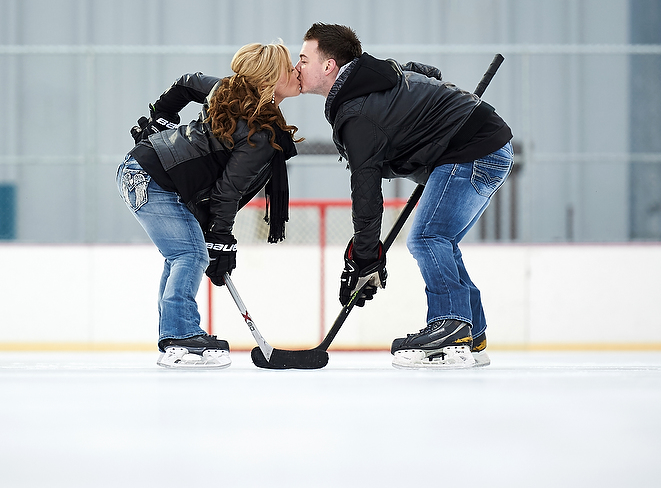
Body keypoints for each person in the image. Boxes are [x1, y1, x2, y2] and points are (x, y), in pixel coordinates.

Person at [295, 23, 513, 369]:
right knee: (441, 240)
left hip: (472, 150)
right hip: (484, 146)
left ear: (329, 65)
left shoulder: (357, 113)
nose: (297, 67)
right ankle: (472, 334)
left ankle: (451, 329)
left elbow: (365, 190)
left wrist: (366, 258)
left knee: (429, 238)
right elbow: (427, 73)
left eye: (304, 59)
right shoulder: (371, 81)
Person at [117, 41, 302, 369]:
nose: (296, 72)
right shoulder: (259, 131)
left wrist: (160, 117)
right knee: (189, 254)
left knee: (182, 254)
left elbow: (188, 81)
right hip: (151, 177)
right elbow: (227, 190)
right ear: (271, 79)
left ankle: (174, 336)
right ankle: (181, 336)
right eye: (289, 68)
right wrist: (220, 238)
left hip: (144, 171)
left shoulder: (227, 92)